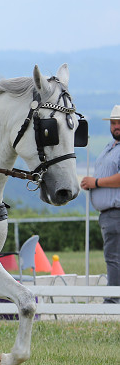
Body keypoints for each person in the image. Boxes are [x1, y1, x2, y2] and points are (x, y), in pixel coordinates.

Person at [81, 104, 120, 302]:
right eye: (113, 123)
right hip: (108, 212)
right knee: (113, 256)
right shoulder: (109, 147)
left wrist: (95, 182)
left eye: (119, 123)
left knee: (114, 257)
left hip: (116, 211)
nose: (116, 126)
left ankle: (113, 300)